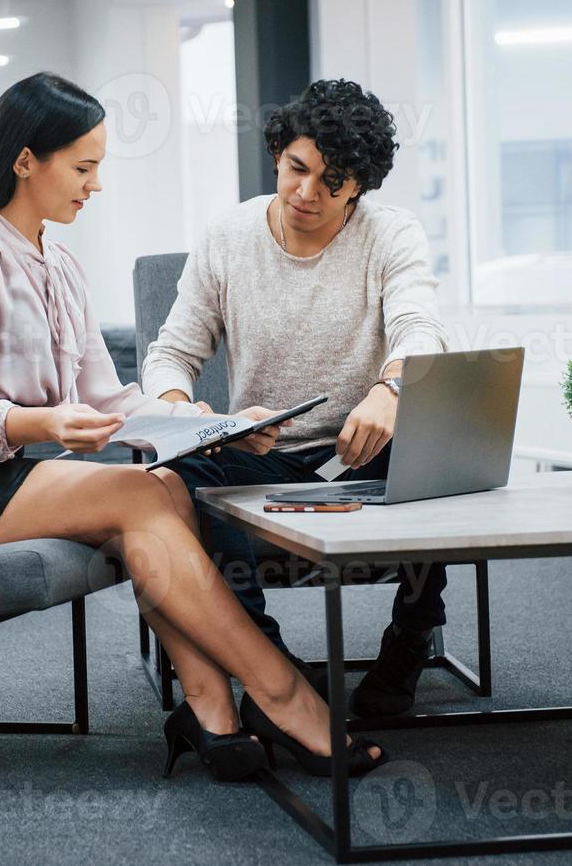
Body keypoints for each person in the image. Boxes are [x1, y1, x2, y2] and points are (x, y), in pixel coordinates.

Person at [0, 72, 385, 781]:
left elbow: (114, 399)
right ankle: (283, 694)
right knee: (140, 494)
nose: (93, 186)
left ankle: (209, 710)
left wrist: (220, 425)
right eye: (82, 167)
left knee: (157, 488)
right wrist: (44, 420)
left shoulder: (57, 264)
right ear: (25, 159)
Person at [142, 78, 450, 718]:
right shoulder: (228, 237)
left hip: (366, 450)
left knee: (440, 449)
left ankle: (410, 638)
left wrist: (392, 390)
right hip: (265, 452)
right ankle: (269, 658)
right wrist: (189, 413)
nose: (307, 193)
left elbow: (421, 327)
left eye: (331, 181)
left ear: (359, 185)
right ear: (279, 156)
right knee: (176, 472)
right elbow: (172, 354)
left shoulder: (390, 233)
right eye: (296, 169)